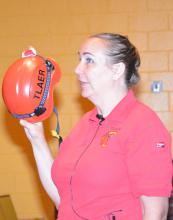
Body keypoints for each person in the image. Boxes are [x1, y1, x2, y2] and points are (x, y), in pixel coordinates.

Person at [20, 33, 172, 220]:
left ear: (116, 70)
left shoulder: (143, 124)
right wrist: (37, 139)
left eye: (89, 60)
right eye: (79, 59)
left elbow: (156, 213)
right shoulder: (84, 125)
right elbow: (64, 201)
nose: (77, 69)